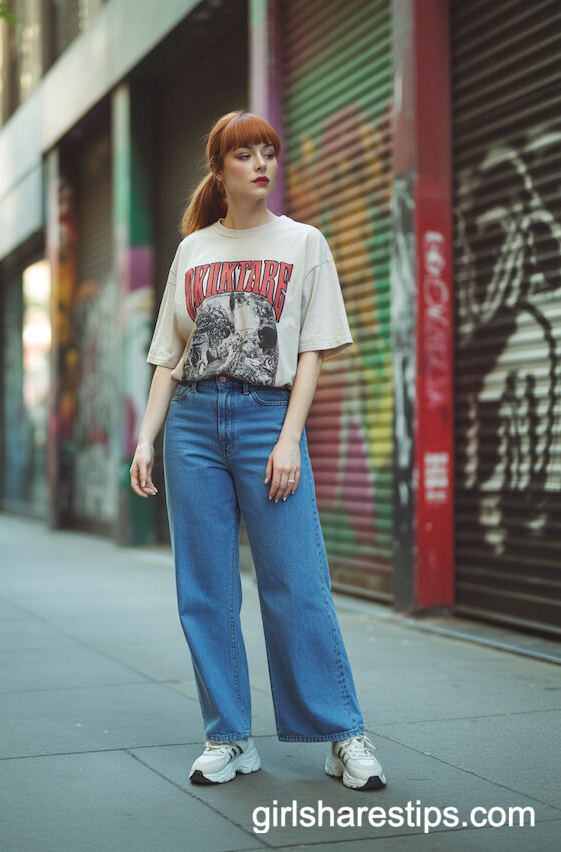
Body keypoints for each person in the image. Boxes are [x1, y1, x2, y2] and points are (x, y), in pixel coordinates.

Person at [129, 111, 386, 791]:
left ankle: (340, 733)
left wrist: (289, 439)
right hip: (192, 423)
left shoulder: (304, 243)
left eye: (267, 152)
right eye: (244, 154)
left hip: (267, 417)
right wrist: (146, 439)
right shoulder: (193, 250)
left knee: (297, 583)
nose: (261, 164)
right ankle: (229, 737)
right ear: (220, 170)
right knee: (205, 590)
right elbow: (168, 355)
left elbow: (311, 352)